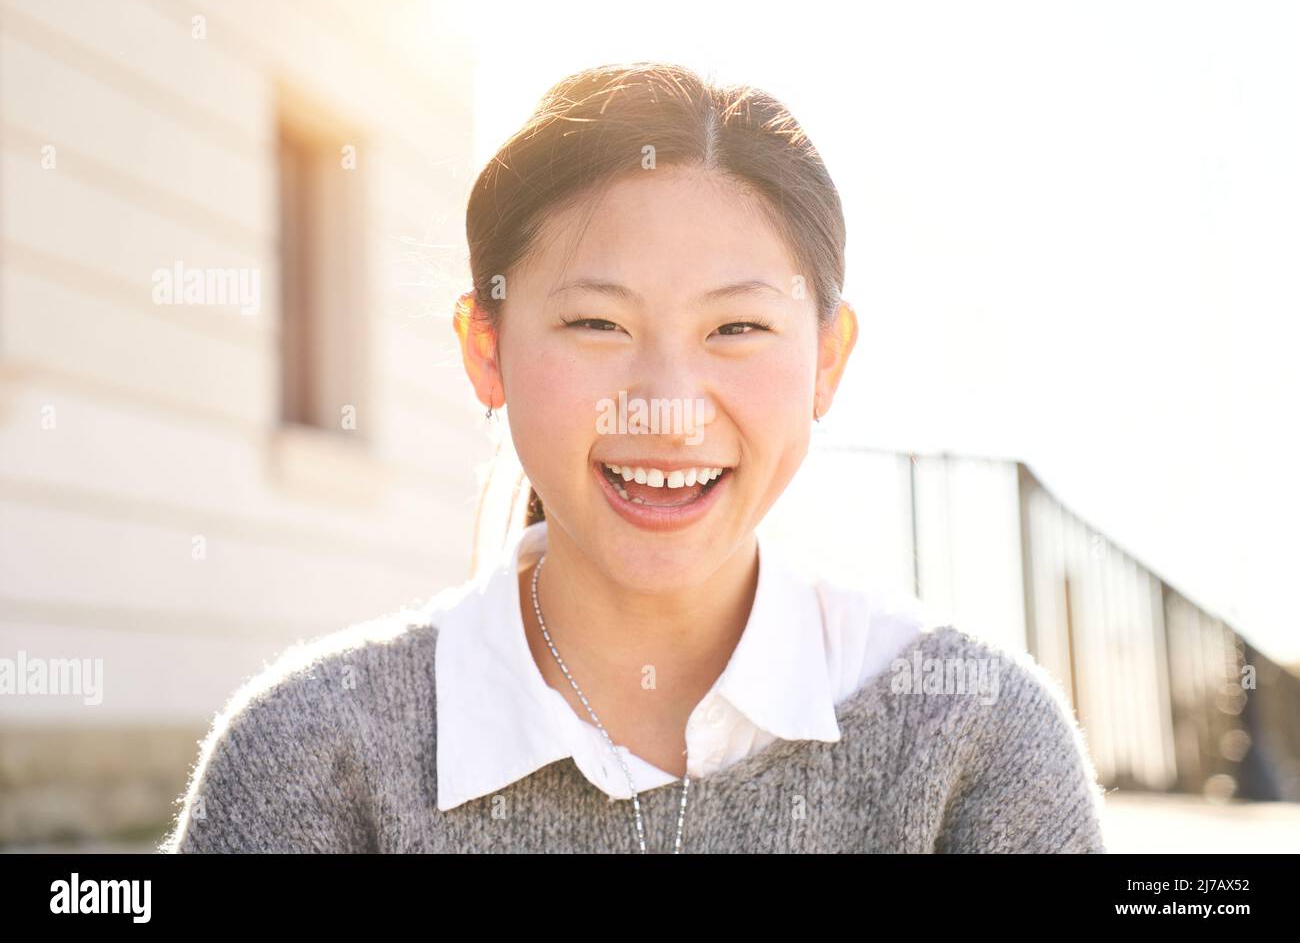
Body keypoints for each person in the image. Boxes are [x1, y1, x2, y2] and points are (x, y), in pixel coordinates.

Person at [161, 62, 1106, 853]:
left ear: (827, 359)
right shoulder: (311, 756)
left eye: (736, 326)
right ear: (486, 350)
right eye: (597, 323)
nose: (666, 404)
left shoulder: (973, 739)